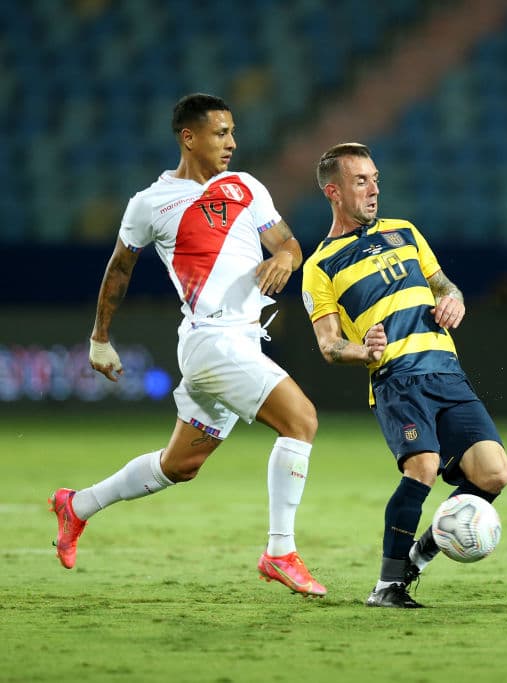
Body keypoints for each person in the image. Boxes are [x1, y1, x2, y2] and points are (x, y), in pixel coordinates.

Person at [48, 93, 333, 597]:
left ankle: (78, 505)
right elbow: (119, 269)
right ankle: (280, 552)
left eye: (233, 132)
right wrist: (99, 338)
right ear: (189, 137)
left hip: (243, 341)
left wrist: (286, 258)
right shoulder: (150, 203)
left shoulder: (246, 187)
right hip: (211, 342)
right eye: (221, 133)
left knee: (179, 466)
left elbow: (287, 243)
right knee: (302, 420)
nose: (232, 142)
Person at [301, 142, 507, 609]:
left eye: (375, 179)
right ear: (334, 192)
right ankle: (387, 586)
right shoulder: (320, 266)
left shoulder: (405, 232)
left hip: (447, 370)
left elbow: (444, 285)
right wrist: (363, 350)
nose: (374, 189)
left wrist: (454, 298)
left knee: (494, 474)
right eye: (361, 181)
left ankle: (419, 555)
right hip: (398, 378)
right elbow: (329, 345)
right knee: (424, 467)